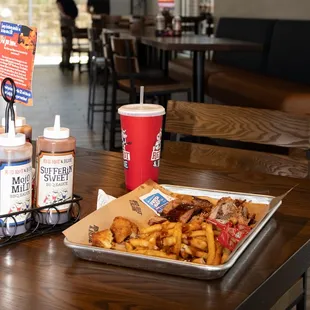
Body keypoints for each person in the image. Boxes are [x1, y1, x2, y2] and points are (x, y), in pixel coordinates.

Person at [56, 0, 79, 70]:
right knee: (66, 44)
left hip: (70, 21)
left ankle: (66, 62)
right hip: (66, 23)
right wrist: (66, 16)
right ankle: (65, 62)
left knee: (68, 44)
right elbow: (60, 6)